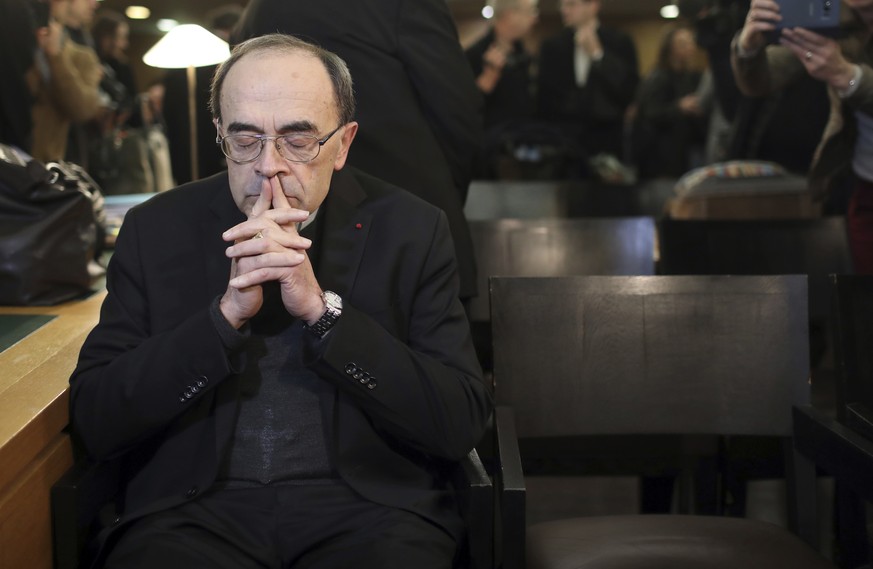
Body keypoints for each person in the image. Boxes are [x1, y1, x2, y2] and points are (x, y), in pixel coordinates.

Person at [69, 33, 492, 569]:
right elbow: (96, 417)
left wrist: (323, 314)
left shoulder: (412, 228)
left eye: (298, 140)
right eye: (245, 140)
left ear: (342, 145)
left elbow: (459, 420)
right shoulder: (154, 228)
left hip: (370, 512)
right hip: (190, 516)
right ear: (220, 136)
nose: (268, 166)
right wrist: (223, 319)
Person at [233, 0, 482, 302]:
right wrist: (446, 201)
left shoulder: (261, 8)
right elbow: (456, 112)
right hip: (409, 227)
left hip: (296, 235)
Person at [732, 0, 873, 272]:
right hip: (864, 190)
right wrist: (748, 45)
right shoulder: (835, 20)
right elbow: (762, 80)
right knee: (865, 303)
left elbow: (846, 76)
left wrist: (847, 76)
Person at [536, 0, 639, 161]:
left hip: (607, 139)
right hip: (563, 143)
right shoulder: (551, 46)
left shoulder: (620, 41)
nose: (564, 10)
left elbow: (629, 89)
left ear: (593, 6)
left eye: (571, 4)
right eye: (562, 5)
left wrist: (598, 55)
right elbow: (544, 96)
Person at [163, 4, 242, 185]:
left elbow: (169, 113)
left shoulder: (180, 57)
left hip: (183, 148)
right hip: (210, 147)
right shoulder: (223, 59)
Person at [26, 0, 103, 163]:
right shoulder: (15, 36)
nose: (94, 4)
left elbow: (83, 109)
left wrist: (55, 57)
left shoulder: (82, 56)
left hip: (45, 166)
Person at [632, 26, 707, 178]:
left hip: (682, 155)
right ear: (670, 48)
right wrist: (679, 107)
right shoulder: (658, 77)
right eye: (683, 43)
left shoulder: (688, 77)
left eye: (691, 42)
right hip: (659, 161)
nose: (690, 47)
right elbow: (651, 113)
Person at [466, 0, 539, 130]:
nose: (534, 18)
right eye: (530, 11)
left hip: (522, 135)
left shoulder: (522, 53)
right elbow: (466, 106)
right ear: (510, 14)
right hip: (491, 140)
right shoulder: (475, 54)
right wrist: (488, 78)